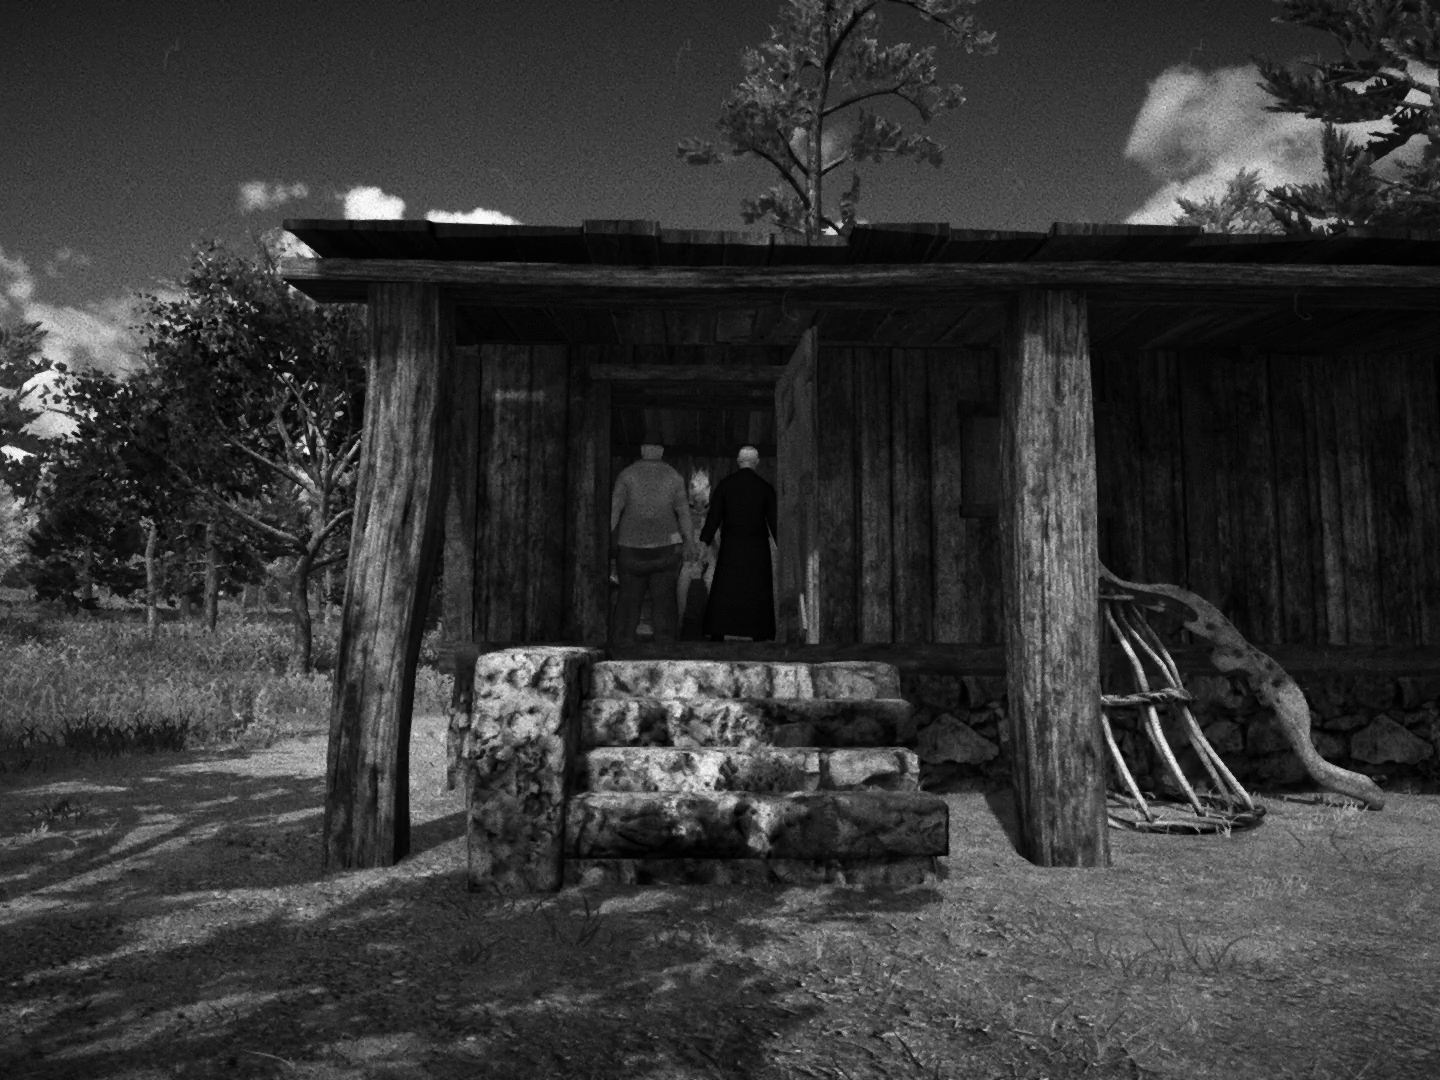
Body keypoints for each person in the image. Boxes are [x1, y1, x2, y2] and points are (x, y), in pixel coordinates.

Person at [610, 442, 700, 643]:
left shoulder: (627, 474)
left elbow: (614, 509)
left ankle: (623, 647)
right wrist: (690, 542)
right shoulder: (673, 476)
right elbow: (683, 513)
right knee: (665, 603)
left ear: (642, 450)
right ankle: (664, 649)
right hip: (666, 548)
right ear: (661, 451)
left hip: (631, 547)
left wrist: (606, 540)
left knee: (628, 601)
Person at [699, 445, 777, 642]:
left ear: (739, 461)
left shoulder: (726, 485)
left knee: (726, 588)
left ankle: (718, 630)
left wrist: (704, 541)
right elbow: (774, 520)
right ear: (756, 462)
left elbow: (714, 516)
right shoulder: (764, 487)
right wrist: (782, 543)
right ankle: (759, 632)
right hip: (757, 546)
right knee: (757, 589)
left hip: (731, 544)